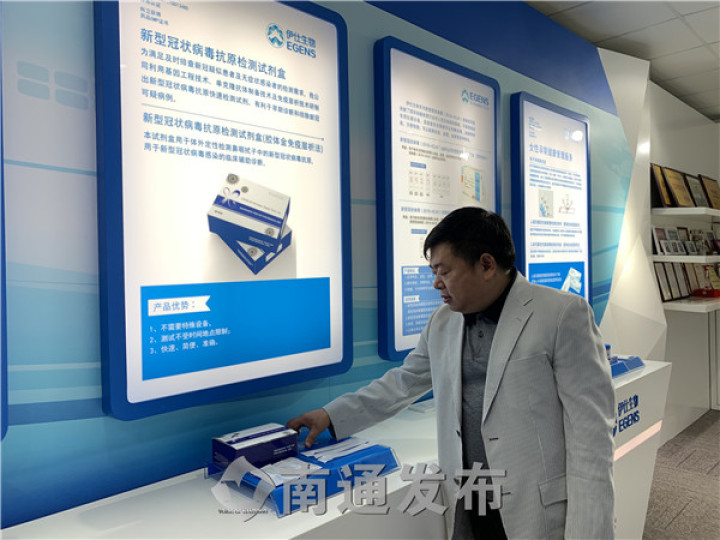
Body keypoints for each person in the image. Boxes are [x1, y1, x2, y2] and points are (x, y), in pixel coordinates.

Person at [287, 207, 615, 540]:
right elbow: (402, 383)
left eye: (443, 271)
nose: (436, 283)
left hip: (534, 510)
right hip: (468, 503)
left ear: (486, 265)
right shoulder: (443, 322)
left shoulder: (561, 314)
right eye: (433, 272)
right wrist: (331, 415)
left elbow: (591, 436)